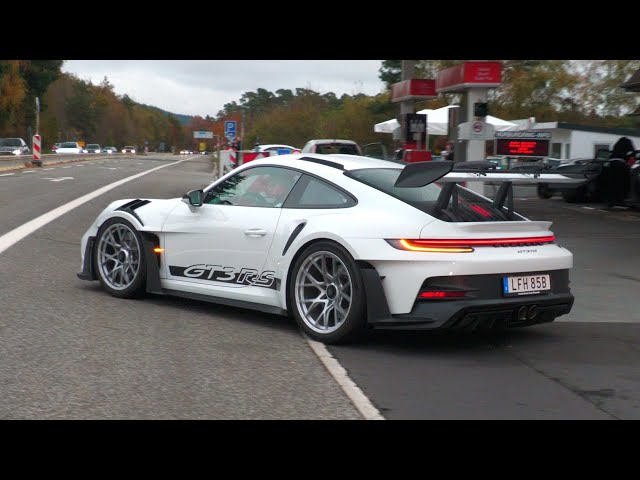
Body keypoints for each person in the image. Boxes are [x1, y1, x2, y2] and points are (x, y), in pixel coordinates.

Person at [605, 137, 635, 208]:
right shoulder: (627, 145)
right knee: (622, 183)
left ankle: (612, 201)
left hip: (611, 164)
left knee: (612, 183)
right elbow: (631, 153)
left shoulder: (616, 147)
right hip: (620, 164)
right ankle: (620, 201)